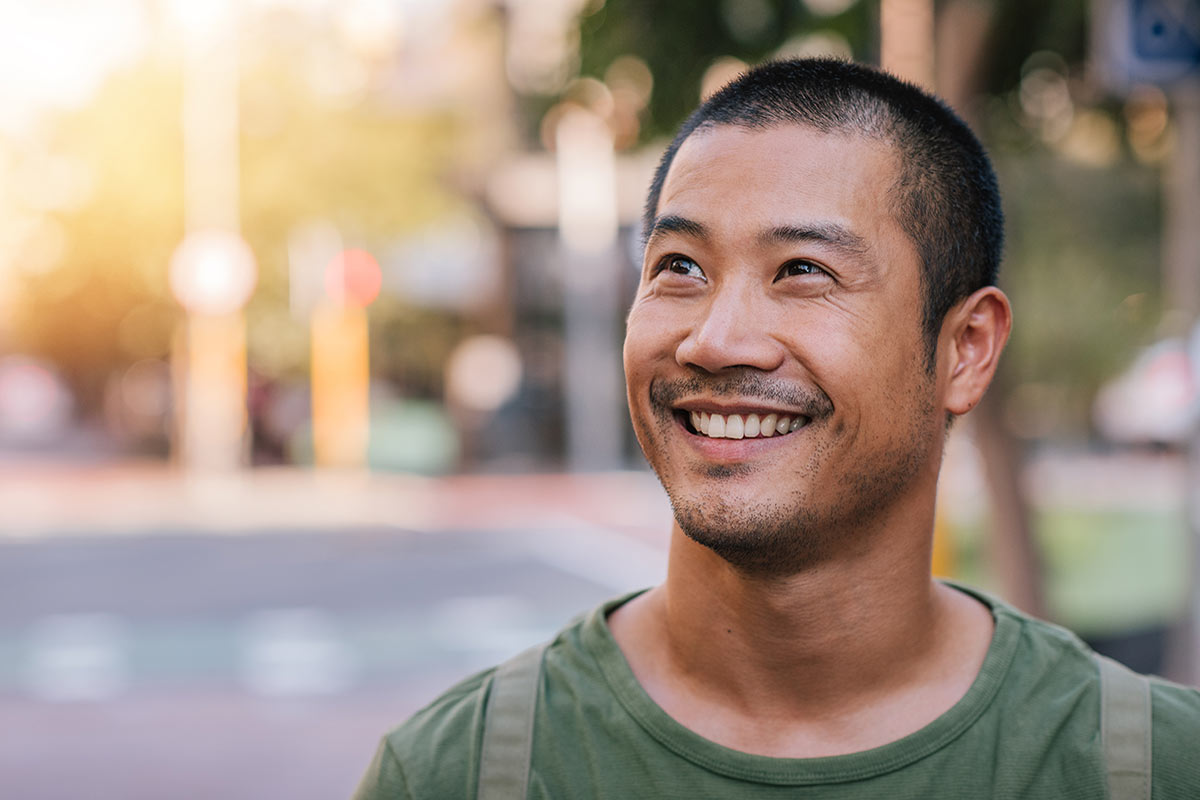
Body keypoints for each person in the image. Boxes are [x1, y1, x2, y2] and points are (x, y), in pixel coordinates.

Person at [352, 58, 1200, 799]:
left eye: (803, 271)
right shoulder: (461, 774)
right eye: (679, 267)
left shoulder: (1149, 769)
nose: (714, 339)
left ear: (965, 349)